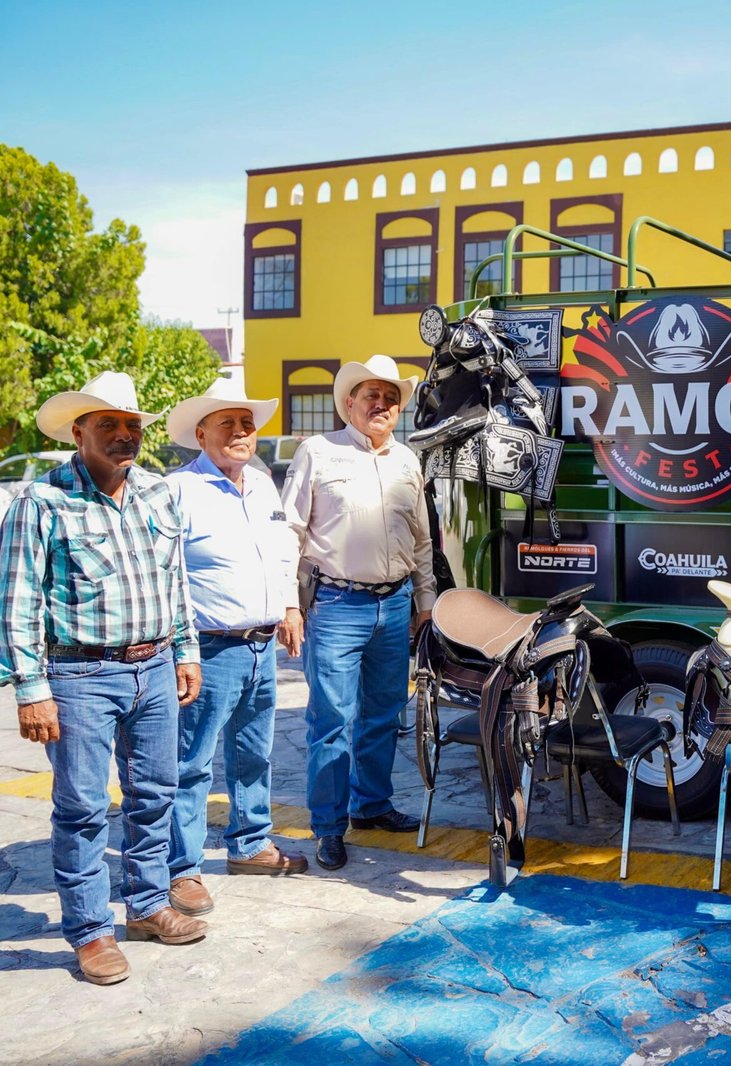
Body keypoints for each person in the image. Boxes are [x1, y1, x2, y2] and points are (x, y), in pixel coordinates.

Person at [0, 371, 206, 985]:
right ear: (78, 431)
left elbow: (175, 582)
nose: (124, 435)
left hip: (155, 666)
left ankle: (147, 906)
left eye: (132, 425)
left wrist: (186, 650)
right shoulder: (42, 500)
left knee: (156, 794)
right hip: (79, 674)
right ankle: (90, 931)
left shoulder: (157, 493)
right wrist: (31, 689)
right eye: (108, 424)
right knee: (83, 808)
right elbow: (16, 601)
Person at [281, 355, 435, 872]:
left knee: (384, 714)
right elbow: (290, 532)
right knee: (332, 721)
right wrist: (289, 604)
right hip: (336, 605)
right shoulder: (318, 452)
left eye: (390, 398)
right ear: (349, 402)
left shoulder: (407, 461)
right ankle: (329, 827)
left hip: (394, 604)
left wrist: (425, 603)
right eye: (371, 395)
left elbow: (421, 540)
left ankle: (371, 804)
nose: (381, 405)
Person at [163, 377, 309, 918]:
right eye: (227, 422)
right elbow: (169, 574)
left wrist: (290, 607)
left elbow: (281, 553)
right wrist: (182, 650)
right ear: (201, 434)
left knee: (254, 753)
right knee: (192, 763)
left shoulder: (264, 485)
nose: (241, 431)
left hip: (260, 646)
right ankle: (181, 868)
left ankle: (249, 844)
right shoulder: (179, 490)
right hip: (208, 648)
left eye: (247, 423)